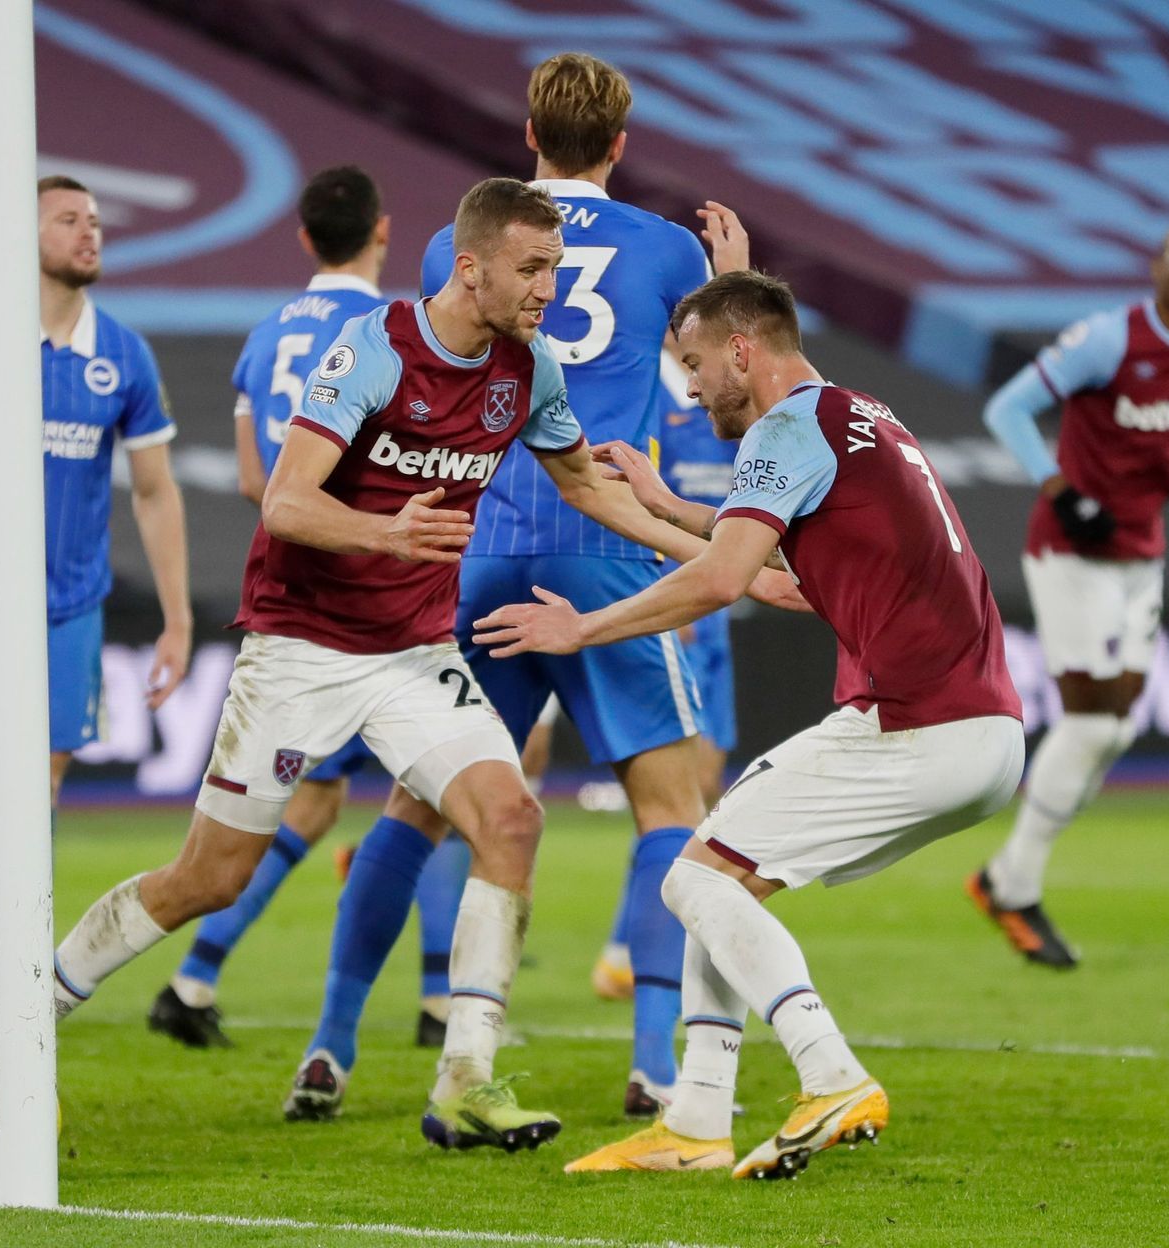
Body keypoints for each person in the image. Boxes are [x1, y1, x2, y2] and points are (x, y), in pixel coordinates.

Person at [29, 178, 788, 1156]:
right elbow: (287, 504)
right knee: (208, 878)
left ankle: (466, 1080)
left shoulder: (527, 369)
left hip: (411, 651)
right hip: (300, 646)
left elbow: (594, 493)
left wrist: (728, 567)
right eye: (531, 269)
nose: (548, 288)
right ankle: (25, 1017)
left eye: (553, 268)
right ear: (468, 270)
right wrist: (384, 532)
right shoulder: (374, 349)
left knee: (508, 816)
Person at [284, 51, 752, 1123]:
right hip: (604, 538)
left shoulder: (467, 244)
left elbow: (432, 365)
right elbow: (717, 372)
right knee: (669, 807)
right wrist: (732, 276)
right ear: (621, 145)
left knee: (417, 802)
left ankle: (330, 1043)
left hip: (482, 540)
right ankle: (652, 1061)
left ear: (525, 136)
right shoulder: (667, 246)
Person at [477, 270, 1024, 1179]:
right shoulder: (855, 414)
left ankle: (830, 1071)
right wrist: (663, 503)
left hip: (918, 720)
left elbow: (723, 581)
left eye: (694, 364)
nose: (688, 388)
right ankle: (694, 1121)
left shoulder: (784, 428)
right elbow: (775, 574)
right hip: (976, 725)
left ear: (742, 351)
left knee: (691, 881)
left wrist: (583, 628)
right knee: (716, 875)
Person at [145, 166, 467, 1054]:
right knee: (439, 789)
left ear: (301, 239)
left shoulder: (265, 337)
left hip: (295, 597)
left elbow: (260, 483)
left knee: (307, 807)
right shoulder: (399, 335)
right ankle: (441, 1001)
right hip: (389, 597)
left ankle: (196, 973)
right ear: (382, 233)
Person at [0, 175, 191, 1044]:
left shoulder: (123, 355)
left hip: (72, 605)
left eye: (96, 220)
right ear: (21, 236)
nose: (89, 232)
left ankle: (13, 969)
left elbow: (155, 491)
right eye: (68, 219)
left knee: (43, 791)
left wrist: (176, 618)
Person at [969, 219, 1169, 969]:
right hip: (1072, 551)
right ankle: (1010, 884)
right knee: (1091, 725)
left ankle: (1008, 875)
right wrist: (1058, 488)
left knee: (1114, 730)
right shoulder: (1106, 340)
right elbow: (1007, 409)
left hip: (1140, 553)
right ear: (1156, 268)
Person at [591, 353, 738, 1001]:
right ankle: (630, 952)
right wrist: (664, 585)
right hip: (679, 585)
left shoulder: (736, 385)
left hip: (721, 594)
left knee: (704, 779)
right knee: (676, 788)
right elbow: (626, 491)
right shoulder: (643, 382)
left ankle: (635, 945)